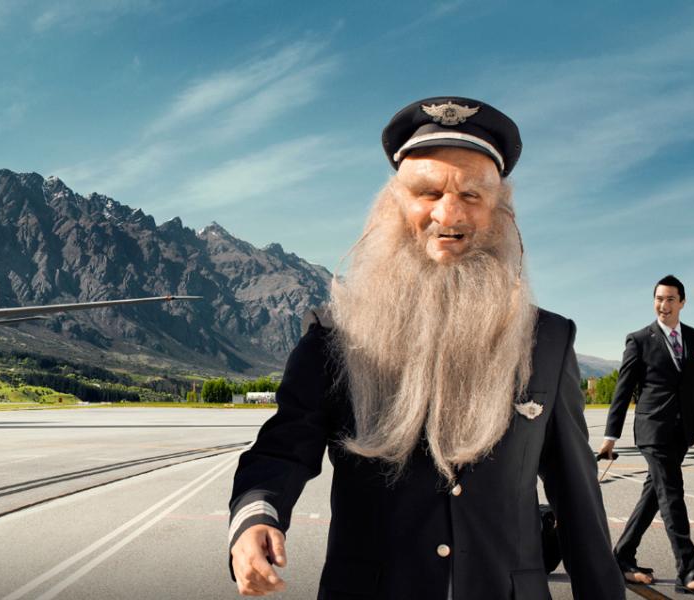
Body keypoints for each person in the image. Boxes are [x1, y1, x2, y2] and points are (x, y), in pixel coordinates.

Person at [225, 97, 622, 599]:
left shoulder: (549, 340)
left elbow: (576, 496)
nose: (448, 213)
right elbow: (283, 447)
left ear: (501, 212)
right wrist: (256, 517)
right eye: (428, 192)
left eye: (472, 195)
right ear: (394, 205)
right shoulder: (336, 335)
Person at [600, 275, 694, 594]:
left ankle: (622, 556)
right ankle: (689, 568)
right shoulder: (639, 339)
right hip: (652, 429)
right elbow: (623, 389)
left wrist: (693, 429)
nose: (663, 305)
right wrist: (610, 436)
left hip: (681, 432)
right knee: (671, 493)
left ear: (682, 302)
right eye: (658, 298)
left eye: (670, 299)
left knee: (655, 494)